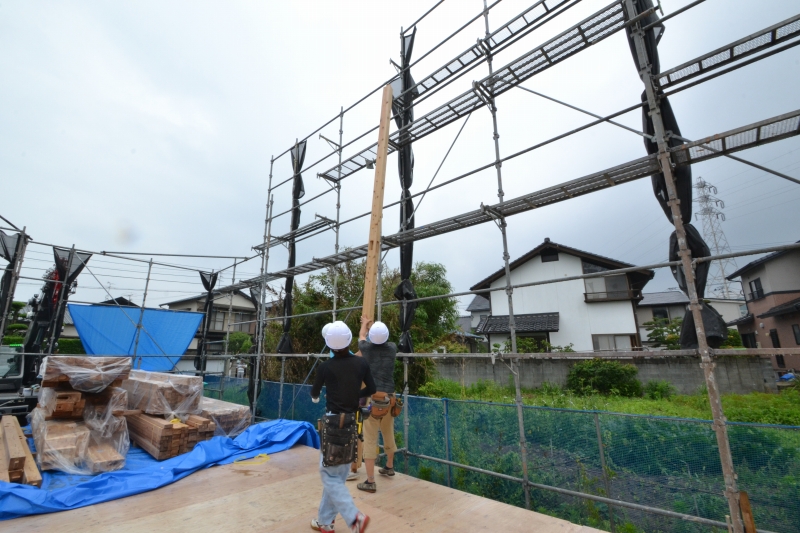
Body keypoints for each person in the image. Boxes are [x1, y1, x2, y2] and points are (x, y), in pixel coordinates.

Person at [310, 321, 375, 533]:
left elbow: (315, 392)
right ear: (349, 340)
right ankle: (325, 522)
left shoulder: (325, 367)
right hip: (350, 422)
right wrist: (355, 395)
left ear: (329, 344)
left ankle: (354, 517)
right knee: (336, 476)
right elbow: (371, 389)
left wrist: (317, 397)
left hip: (332, 422)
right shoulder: (361, 364)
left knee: (329, 475)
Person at [356, 316, 398, 493]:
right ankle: (389, 466)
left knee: (370, 438)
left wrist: (365, 324)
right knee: (388, 431)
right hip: (389, 398)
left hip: (372, 398)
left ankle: (370, 481)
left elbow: (361, 338)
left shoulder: (366, 349)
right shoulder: (393, 348)